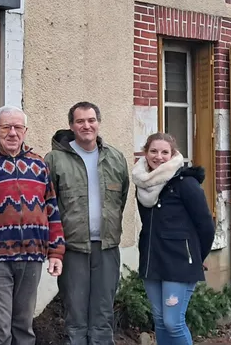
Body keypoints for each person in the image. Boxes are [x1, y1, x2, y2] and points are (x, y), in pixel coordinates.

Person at [0, 105, 65, 345]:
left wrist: (56, 251)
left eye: (18, 127)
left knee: (24, 327)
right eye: (6, 127)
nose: (12, 133)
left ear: (25, 131)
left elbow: (51, 208)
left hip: (31, 257)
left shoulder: (39, 165)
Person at [45, 101, 130, 345]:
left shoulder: (115, 158)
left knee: (103, 314)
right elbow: (48, 204)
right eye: (80, 121)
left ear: (98, 123)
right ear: (71, 125)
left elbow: (121, 198)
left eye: (91, 120)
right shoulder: (55, 159)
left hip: (107, 247)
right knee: (75, 314)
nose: (86, 126)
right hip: (72, 249)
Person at [133, 133, 215, 345]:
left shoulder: (186, 184)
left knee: (173, 322)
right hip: (152, 259)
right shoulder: (143, 185)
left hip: (179, 261)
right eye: (153, 151)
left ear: (173, 154)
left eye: (164, 152)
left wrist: (198, 256)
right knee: (160, 321)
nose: (158, 157)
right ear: (145, 153)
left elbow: (206, 225)